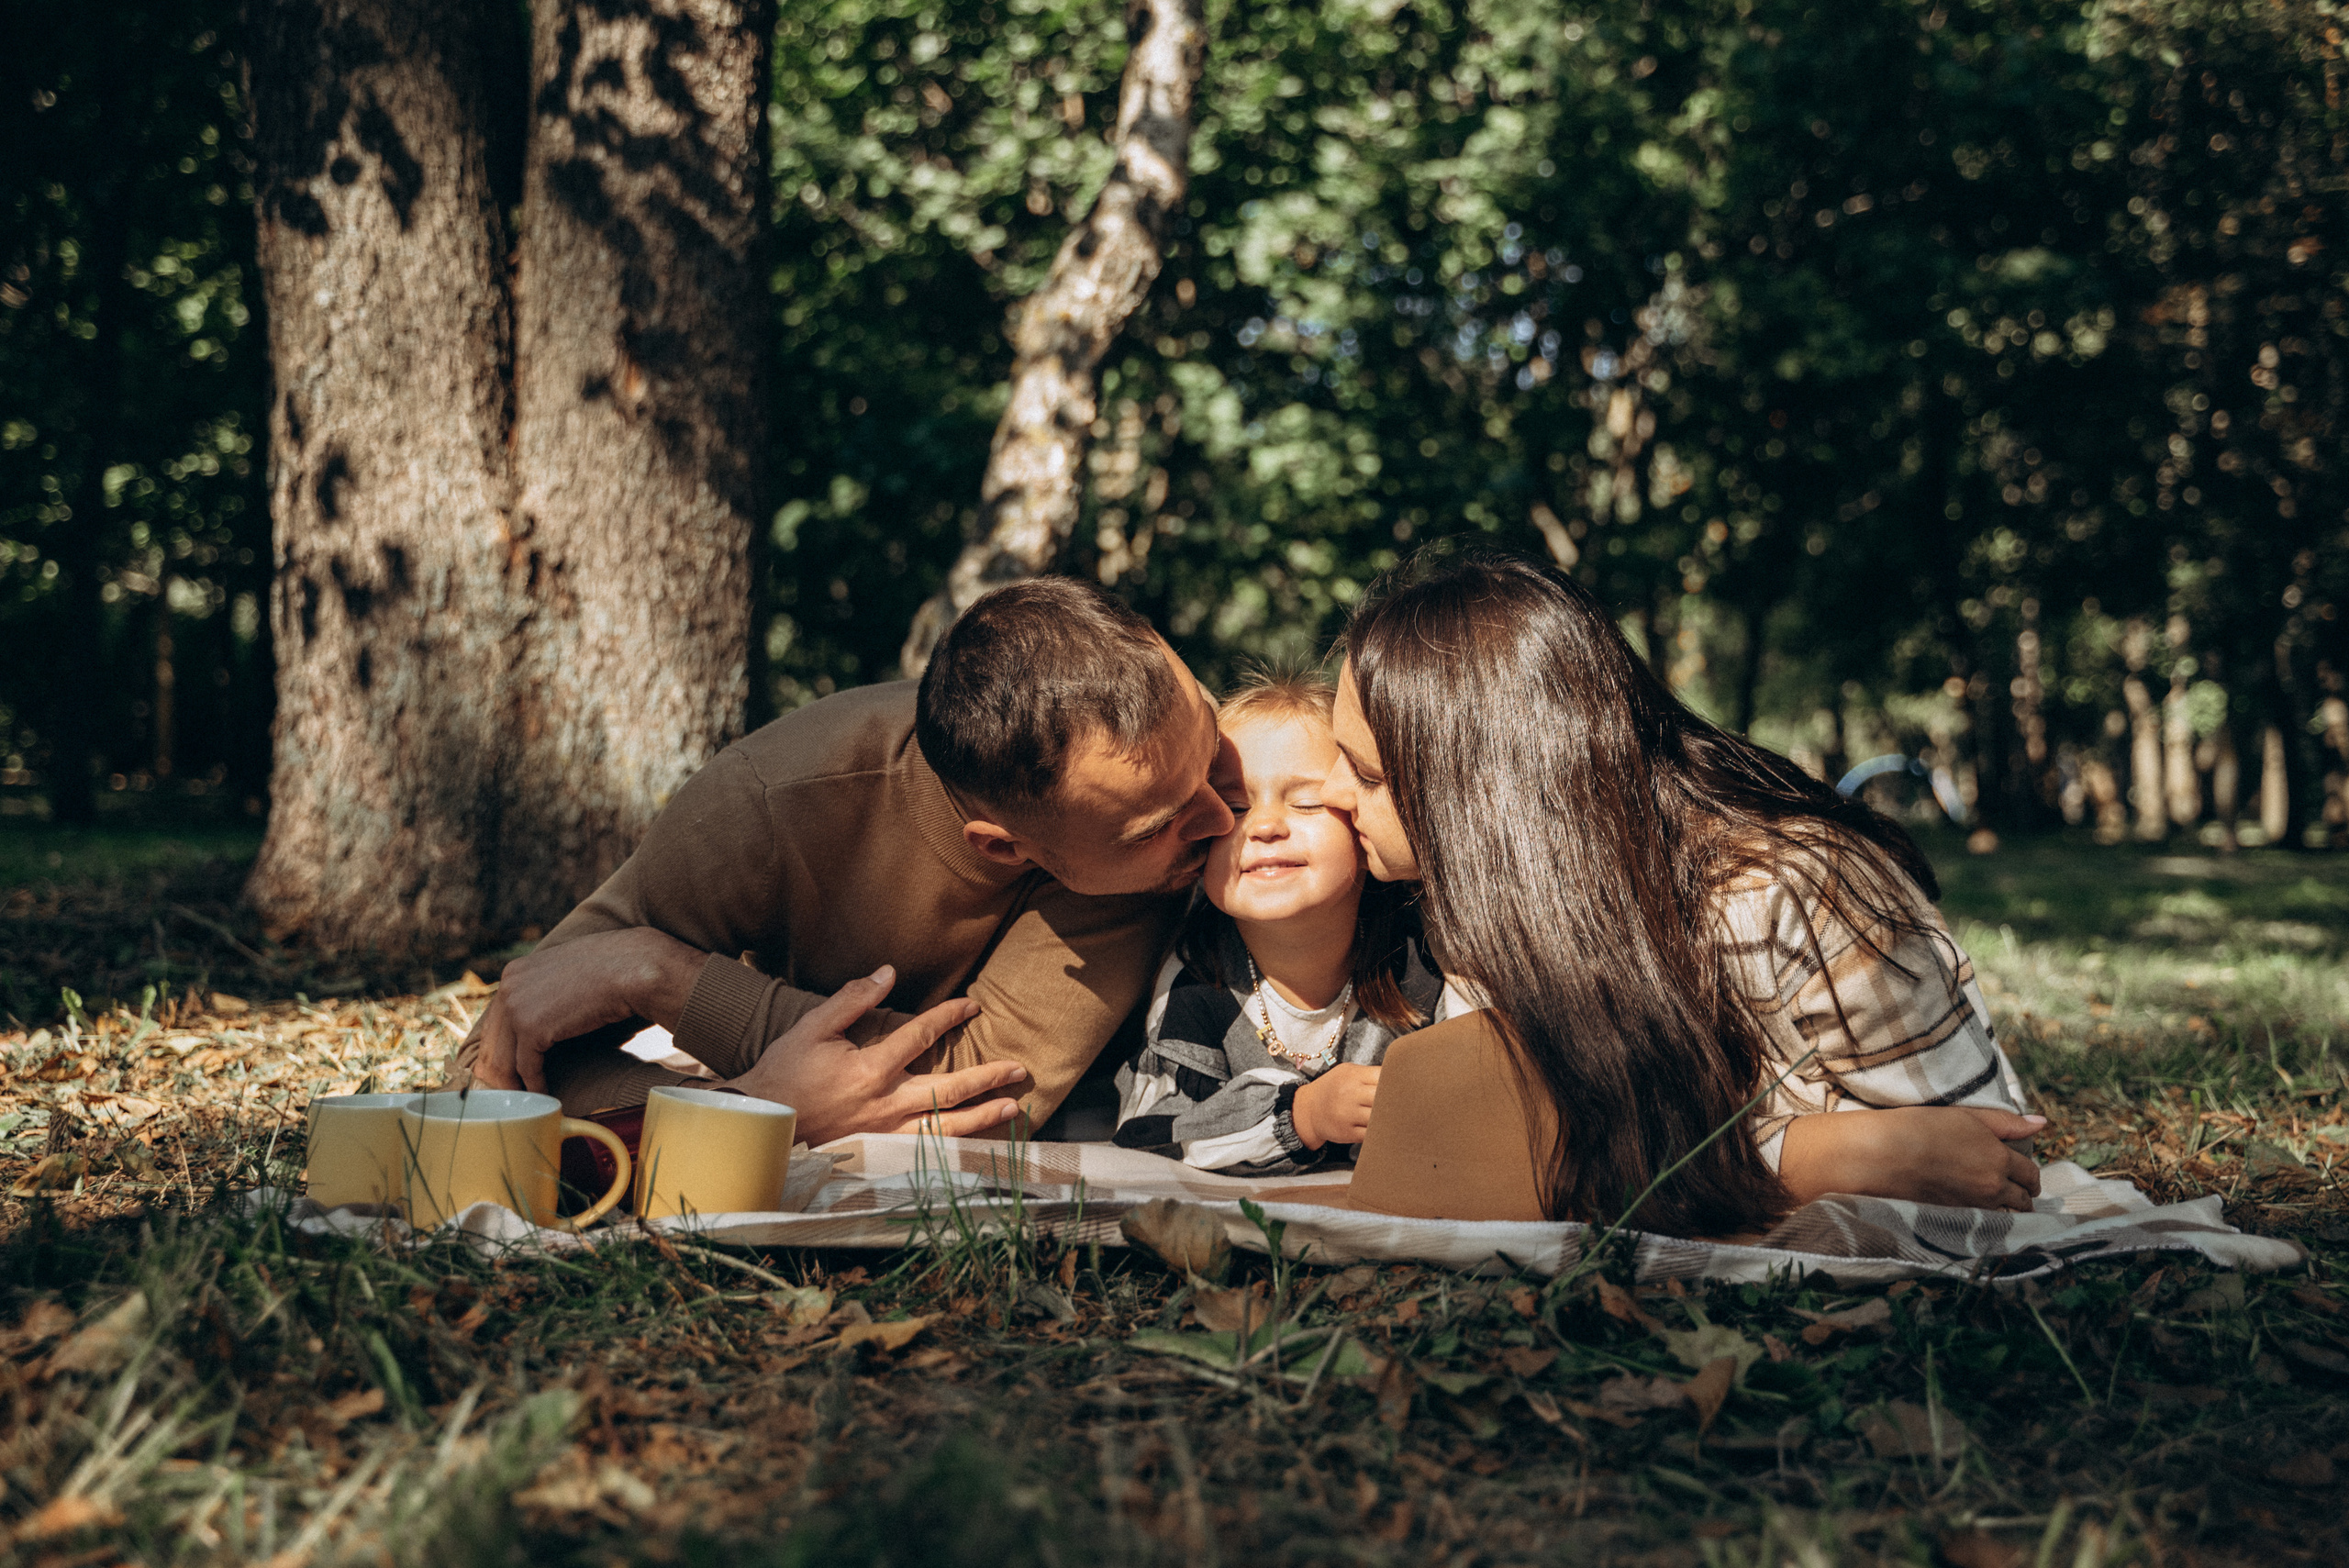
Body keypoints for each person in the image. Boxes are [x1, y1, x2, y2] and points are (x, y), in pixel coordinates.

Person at [1325, 549, 2045, 1235]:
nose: (1331, 793)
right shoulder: (1481, 912)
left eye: (1366, 775)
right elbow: (1507, 1159)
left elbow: (1989, 1168)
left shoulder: (1796, 887)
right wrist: (1814, 1158)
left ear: (1483, 793)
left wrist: (1689, 1173)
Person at [447, 577, 1235, 1147]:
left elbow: (985, 1089)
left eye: (1206, 721)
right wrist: (748, 1104)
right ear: (1003, 845)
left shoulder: (1155, 802)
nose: (1225, 814)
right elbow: (495, 1062)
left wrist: (673, 989)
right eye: (1163, 824)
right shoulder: (771, 800)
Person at [1112, 671, 1442, 1174]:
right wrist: (1302, 1117)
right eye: (1236, 806)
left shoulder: (1420, 955)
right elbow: (1147, 1135)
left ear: (1362, 820)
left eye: (1307, 801)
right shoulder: (1196, 981)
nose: (1265, 826)